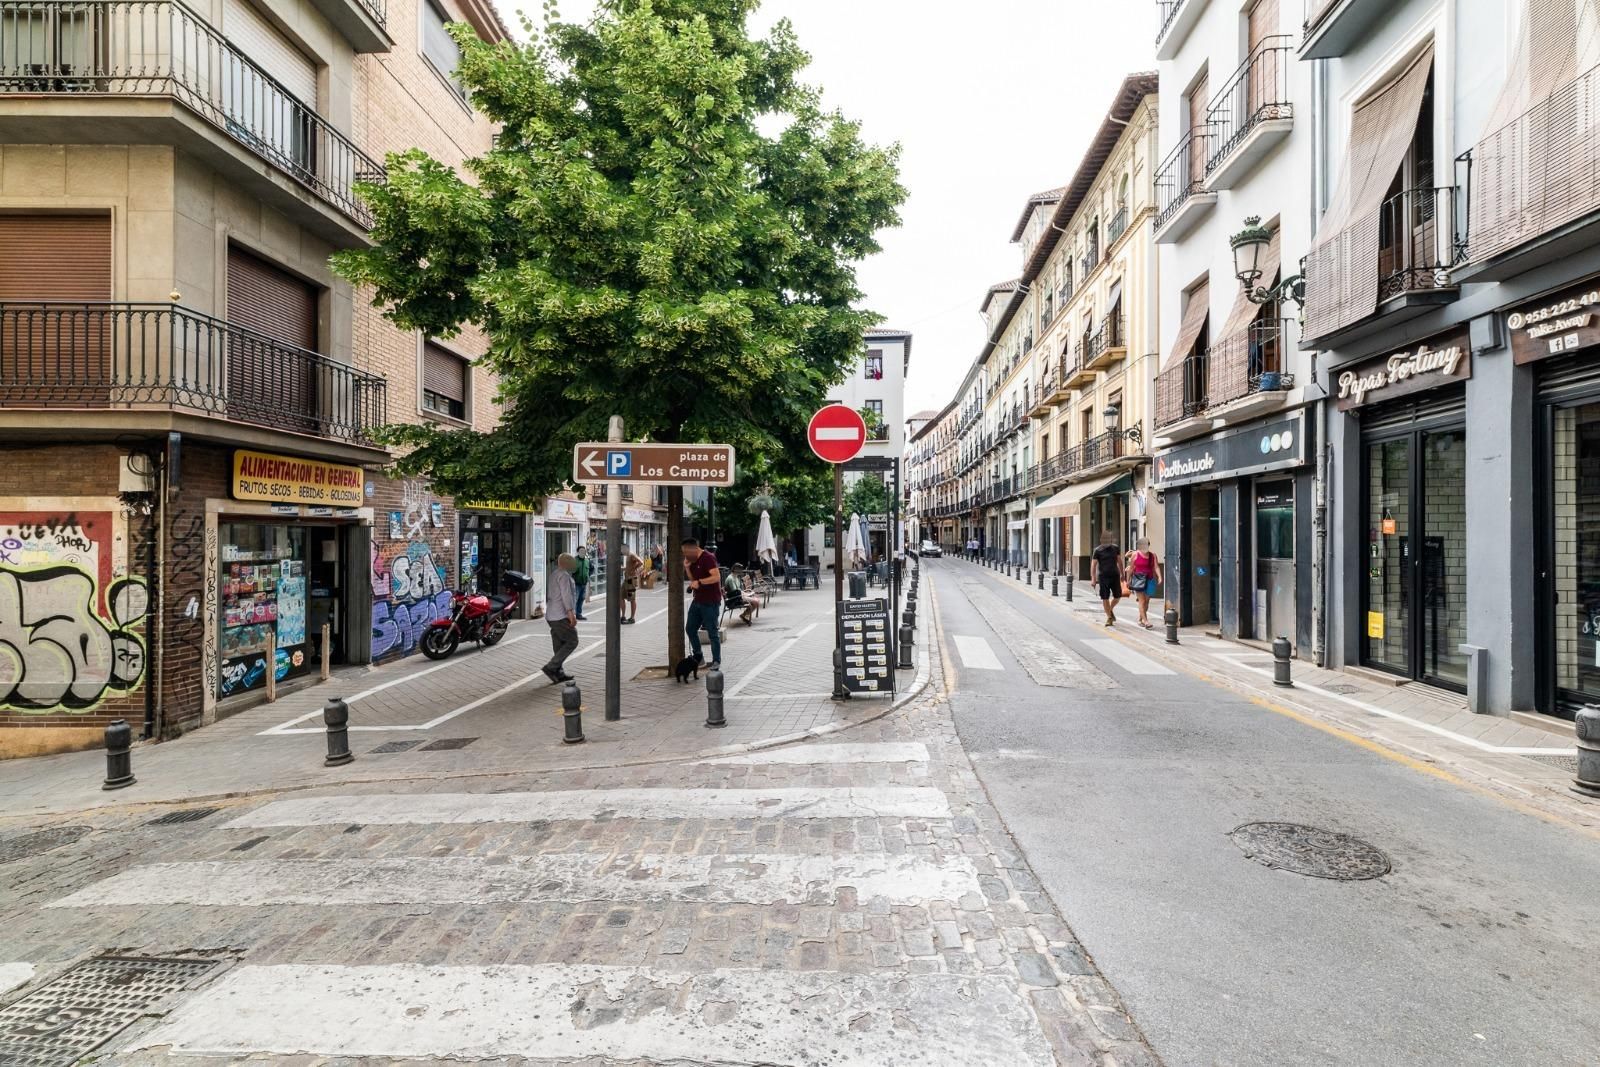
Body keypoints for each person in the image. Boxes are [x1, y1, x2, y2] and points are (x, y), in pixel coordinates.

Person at [681, 537, 722, 668]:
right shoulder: (692, 561)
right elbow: (694, 579)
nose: (685, 555)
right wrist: (687, 568)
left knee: (712, 632)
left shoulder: (708, 558)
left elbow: (716, 577)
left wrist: (700, 582)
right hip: (697, 600)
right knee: (690, 628)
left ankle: (716, 660)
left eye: (686, 551)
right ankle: (699, 656)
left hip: (710, 601)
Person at [542, 553, 579, 683]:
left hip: (551, 614)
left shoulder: (554, 574)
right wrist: (571, 614)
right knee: (572, 640)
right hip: (560, 615)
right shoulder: (564, 576)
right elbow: (566, 595)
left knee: (559, 643)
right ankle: (551, 667)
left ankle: (559, 672)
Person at [1126, 538, 1163, 629]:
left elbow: (1156, 567)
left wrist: (1160, 577)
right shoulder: (1135, 555)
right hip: (1138, 580)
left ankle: (1140, 618)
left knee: (1146, 602)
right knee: (1142, 601)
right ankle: (1146, 621)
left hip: (1150, 580)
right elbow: (1131, 569)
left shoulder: (1153, 555)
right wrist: (1128, 580)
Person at [1093, 530, 1125, 627]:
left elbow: (1119, 561)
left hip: (1115, 576)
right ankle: (1109, 617)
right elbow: (1093, 565)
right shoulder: (1097, 550)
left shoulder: (1115, 548)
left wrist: (1122, 574)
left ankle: (1109, 610)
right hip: (1103, 577)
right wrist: (1093, 578)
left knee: (1118, 596)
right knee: (1105, 597)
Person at [619, 549, 643, 624]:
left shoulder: (632, 555)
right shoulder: (627, 556)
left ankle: (632, 618)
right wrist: (623, 569)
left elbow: (641, 562)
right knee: (620, 596)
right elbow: (628, 567)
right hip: (627, 579)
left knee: (632, 599)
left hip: (631, 580)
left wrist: (634, 568)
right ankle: (623, 616)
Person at [572, 547, 590, 621]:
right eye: (581, 551)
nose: (583, 552)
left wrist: (587, 577)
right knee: (575, 599)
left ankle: (579, 614)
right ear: (578, 552)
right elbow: (571, 571)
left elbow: (591, 569)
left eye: (584, 551)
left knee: (581, 599)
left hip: (584, 583)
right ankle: (572, 615)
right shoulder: (574, 560)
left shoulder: (587, 560)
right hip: (576, 583)